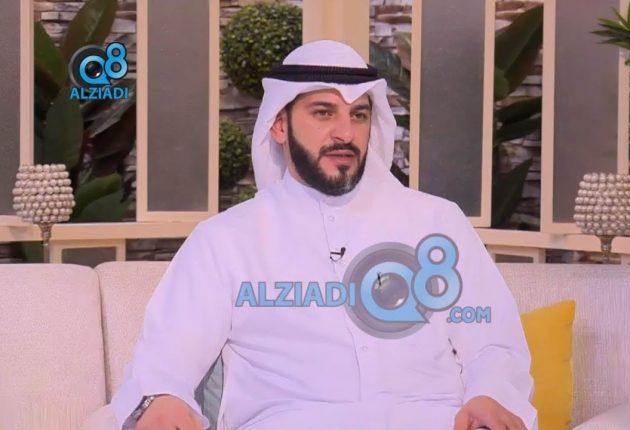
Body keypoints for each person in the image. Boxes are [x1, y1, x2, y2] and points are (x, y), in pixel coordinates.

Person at [111, 40, 537, 430]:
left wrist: (491, 394)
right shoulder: (225, 240)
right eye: (323, 112)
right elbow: (168, 354)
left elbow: (493, 342)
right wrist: (163, 397)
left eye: (359, 115)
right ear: (279, 126)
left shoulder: (439, 223)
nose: (345, 133)